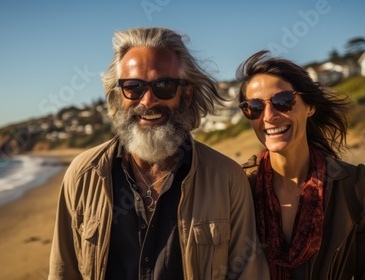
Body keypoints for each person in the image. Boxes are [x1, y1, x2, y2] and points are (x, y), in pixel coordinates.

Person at [48, 27, 268, 280]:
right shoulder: (82, 174)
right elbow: (63, 272)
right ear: (118, 95)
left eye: (164, 85)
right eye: (133, 87)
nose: (148, 101)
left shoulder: (227, 179)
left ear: (187, 94)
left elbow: (247, 274)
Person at [236, 50, 365, 279]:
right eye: (254, 107)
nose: (268, 116)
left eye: (283, 101)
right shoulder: (237, 186)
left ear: (310, 107)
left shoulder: (353, 186)